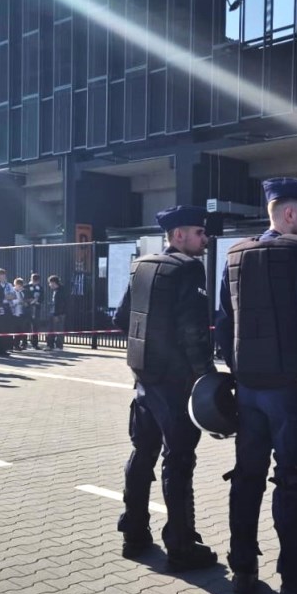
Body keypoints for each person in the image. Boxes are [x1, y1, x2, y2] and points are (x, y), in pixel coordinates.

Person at [215, 177, 297, 594]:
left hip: (249, 390)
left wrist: (240, 373)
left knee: (247, 476)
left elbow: (224, 326)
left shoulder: (236, 254)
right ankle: (296, 583)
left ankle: (243, 572)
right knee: (292, 480)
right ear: (289, 214)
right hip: (288, 391)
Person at [113, 206, 219, 571]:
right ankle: (181, 545)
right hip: (175, 384)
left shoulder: (142, 265)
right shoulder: (189, 268)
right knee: (179, 459)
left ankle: (134, 534)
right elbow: (193, 331)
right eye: (199, 233)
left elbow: (121, 318)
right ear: (178, 235)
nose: (205, 239)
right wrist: (206, 378)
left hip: (144, 378)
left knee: (142, 452)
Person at [45, 275, 67, 350]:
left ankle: (59, 346)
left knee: (59, 330)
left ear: (54, 282)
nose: (49, 285)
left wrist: (57, 314)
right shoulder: (56, 291)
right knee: (50, 329)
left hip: (58, 314)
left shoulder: (61, 291)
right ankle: (50, 345)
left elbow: (62, 304)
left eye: (50, 283)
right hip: (53, 312)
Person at [26, 273, 43, 349]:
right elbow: (25, 296)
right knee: (26, 325)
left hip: (36, 308)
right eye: (33, 280)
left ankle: (35, 344)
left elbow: (42, 297)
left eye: (36, 280)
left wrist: (37, 301)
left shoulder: (40, 288)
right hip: (28, 309)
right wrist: (31, 300)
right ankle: (24, 342)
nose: (35, 282)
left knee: (35, 326)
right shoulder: (26, 286)